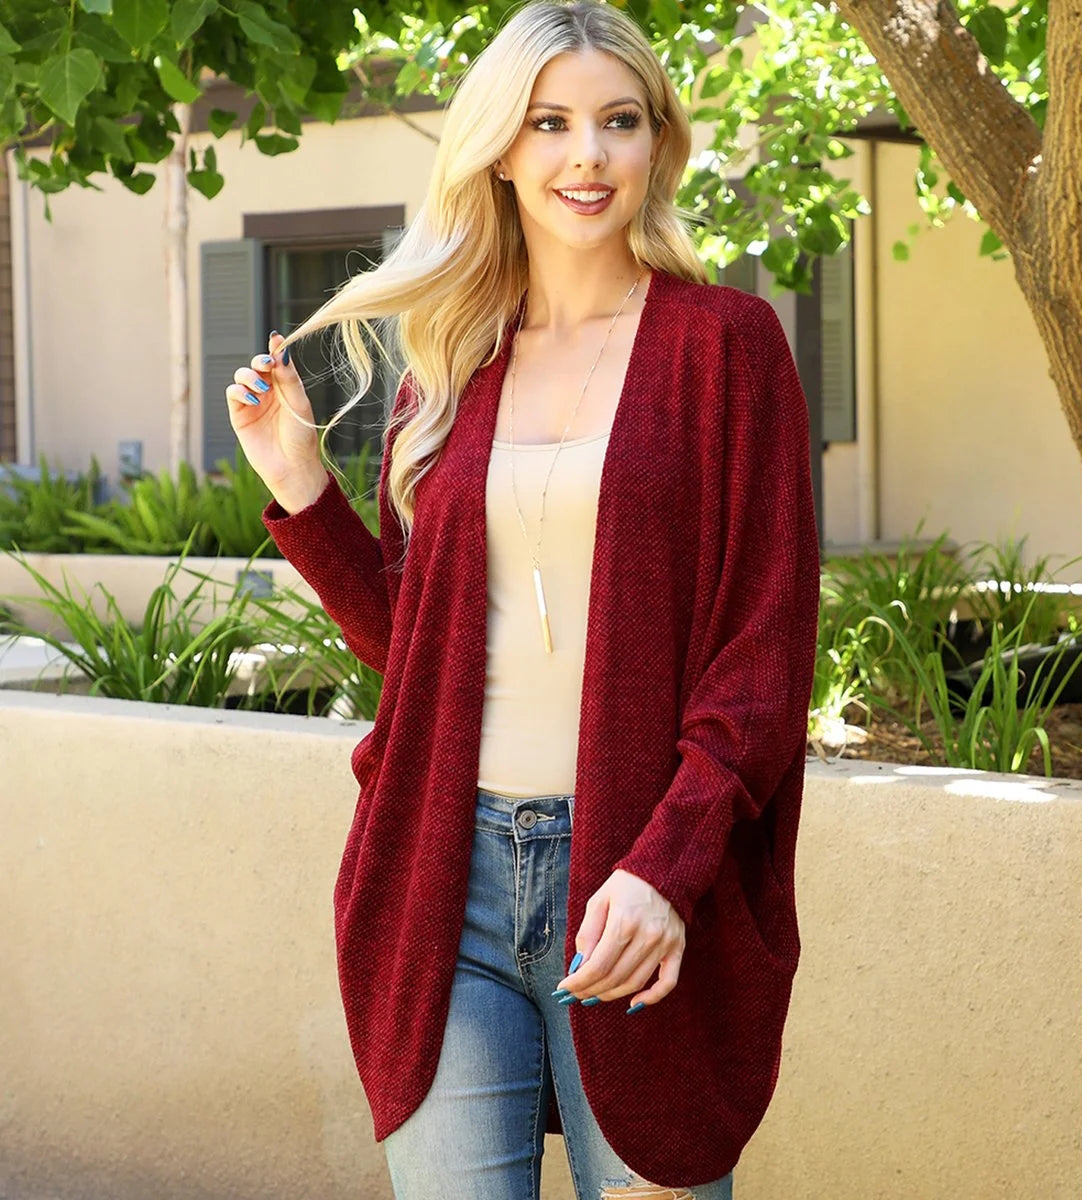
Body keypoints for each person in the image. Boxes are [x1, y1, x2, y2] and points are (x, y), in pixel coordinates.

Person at [225, 1, 820, 1196]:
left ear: (656, 142)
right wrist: (302, 488)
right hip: (445, 882)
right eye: (548, 123)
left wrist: (667, 868)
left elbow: (762, 659)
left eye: (617, 121)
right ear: (498, 148)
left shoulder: (726, 345)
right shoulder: (449, 365)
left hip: (638, 877)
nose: (584, 156)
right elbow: (421, 658)